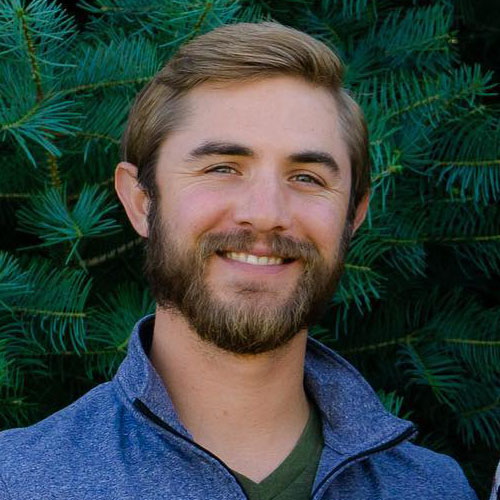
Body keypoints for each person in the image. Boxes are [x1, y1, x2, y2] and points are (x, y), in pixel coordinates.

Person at [0, 22, 478, 500]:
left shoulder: (433, 489)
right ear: (141, 201)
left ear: (354, 214)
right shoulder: (18, 482)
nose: (266, 214)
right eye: (222, 168)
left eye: (307, 177)